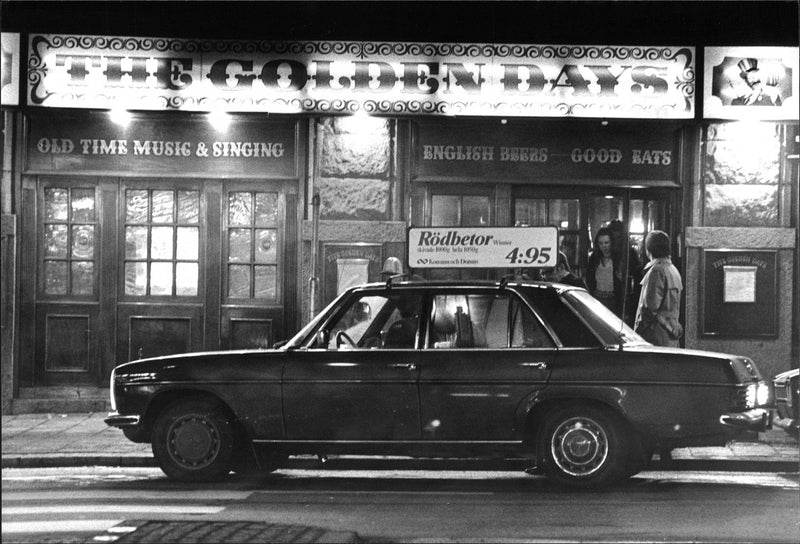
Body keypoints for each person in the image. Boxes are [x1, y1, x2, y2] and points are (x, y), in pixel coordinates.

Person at [634, 230, 683, 347]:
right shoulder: (673, 270)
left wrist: (637, 333)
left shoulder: (656, 271)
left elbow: (649, 308)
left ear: (648, 249)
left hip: (655, 337)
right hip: (671, 335)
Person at [607, 219, 642, 325]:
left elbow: (636, 275)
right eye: (614, 238)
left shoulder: (630, 253)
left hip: (626, 296)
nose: (616, 242)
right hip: (609, 294)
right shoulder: (606, 254)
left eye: (619, 238)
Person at [586, 227, 620, 314]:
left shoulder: (617, 258)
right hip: (597, 297)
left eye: (606, 242)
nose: (604, 246)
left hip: (614, 299)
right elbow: (589, 279)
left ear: (611, 242)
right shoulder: (594, 258)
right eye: (600, 243)